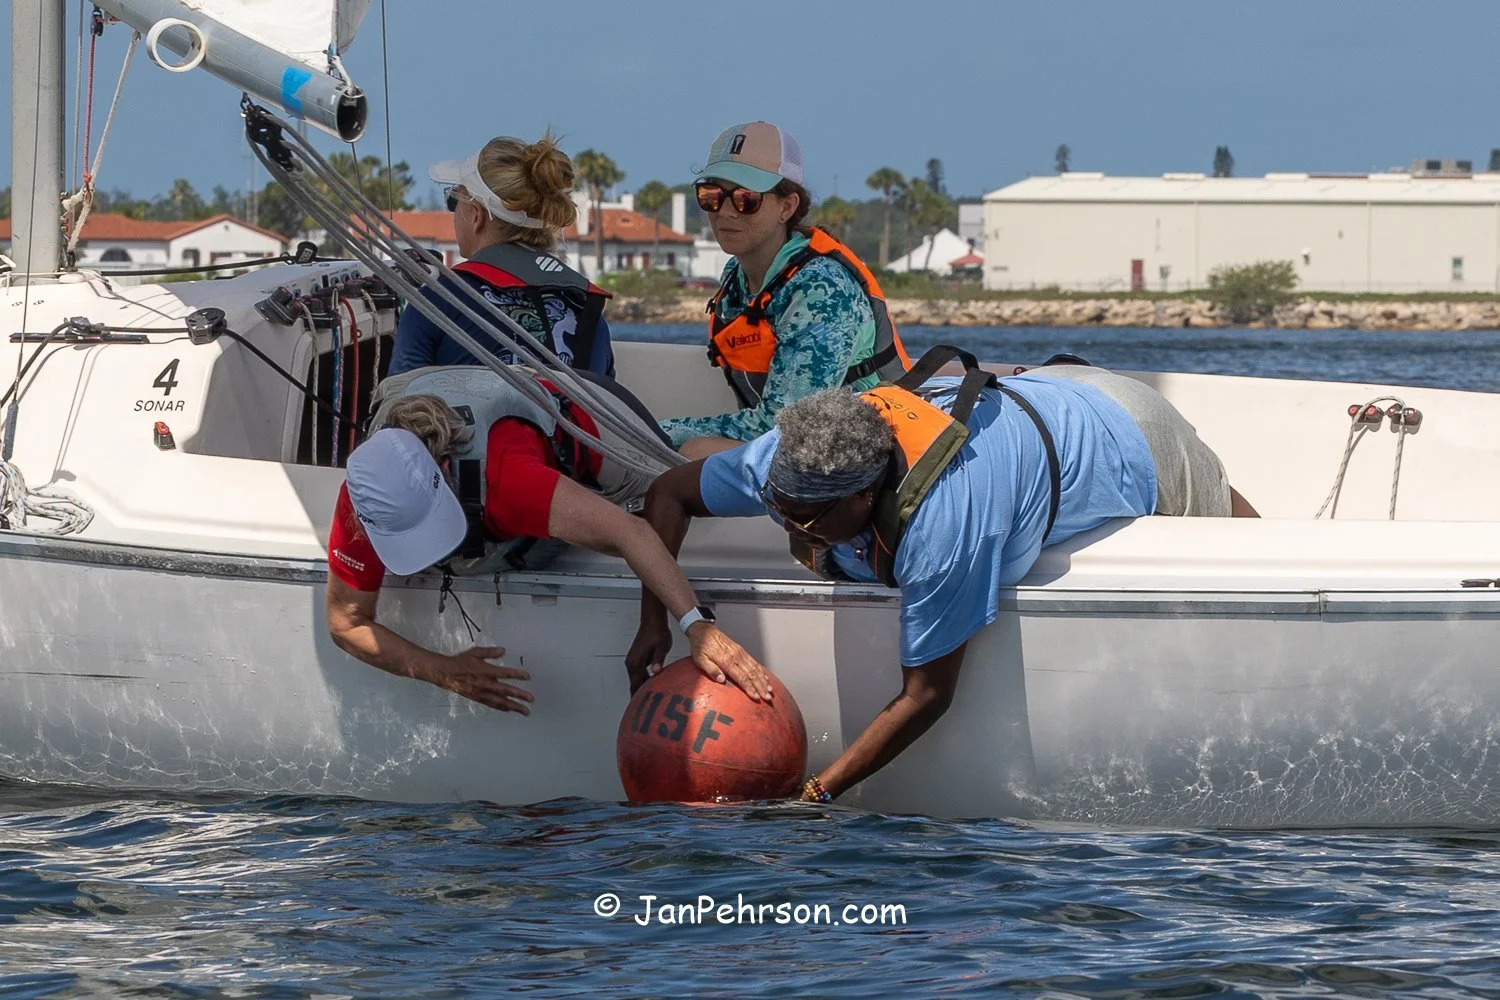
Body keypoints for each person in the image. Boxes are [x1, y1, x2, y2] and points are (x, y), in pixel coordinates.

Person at [628, 346, 1256, 802]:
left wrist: (815, 796)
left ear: (865, 494)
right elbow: (667, 495)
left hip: (1129, 432)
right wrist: (659, 620)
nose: (792, 529)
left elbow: (927, 695)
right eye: (779, 514)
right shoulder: (792, 462)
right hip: (1042, 386)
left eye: (807, 522)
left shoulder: (947, 523)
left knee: (1249, 545)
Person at [325, 365, 772, 713]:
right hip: (455, 391)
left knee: (675, 478)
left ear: (443, 473)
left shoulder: (508, 482)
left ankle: (778, 458)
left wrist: (695, 625)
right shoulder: (369, 496)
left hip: (576, 411)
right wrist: (443, 672)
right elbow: (346, 622)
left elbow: (631, 532)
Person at [659, 122, 910, 460]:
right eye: (713, 196)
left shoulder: (822, 290)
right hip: (802, 450)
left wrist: (655, 429)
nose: (727, 212)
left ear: (787, 206)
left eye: (746, 198)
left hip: (867, 458)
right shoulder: (737, 276)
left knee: (693, 454)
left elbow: (784, 424)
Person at [387, 134, 616, 378]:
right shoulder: (586, 308)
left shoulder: (437, 301)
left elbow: (402, 403)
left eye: (454, 201)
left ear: (477, 216)